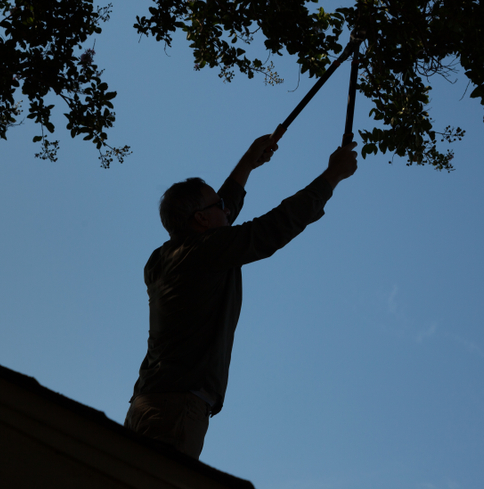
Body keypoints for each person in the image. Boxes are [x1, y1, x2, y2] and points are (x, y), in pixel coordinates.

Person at [124, 135, 358, 458]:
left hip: (149, 404)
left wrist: (249, 161)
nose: (226, 207)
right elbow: (274, 227)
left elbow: (224, 210)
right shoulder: (204, 253)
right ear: (202, 219)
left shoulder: (166, 258)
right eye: (217, 205)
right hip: (175, 410)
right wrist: (332, 176)